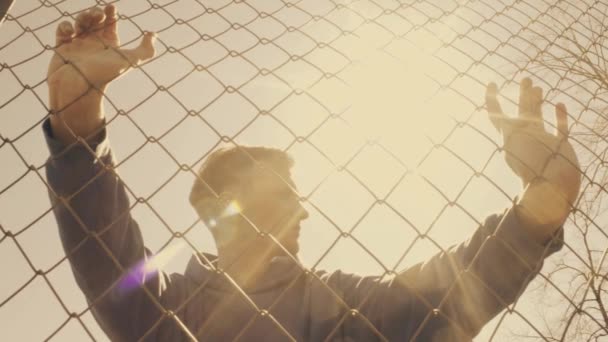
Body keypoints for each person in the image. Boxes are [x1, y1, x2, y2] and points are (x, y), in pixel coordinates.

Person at [44, 4, 581, 341]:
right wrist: (77, 128)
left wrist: (538, 210)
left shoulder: (339, 304)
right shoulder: (170, 307)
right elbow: (108, 256)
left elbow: (447, 293)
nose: (302, 209)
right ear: (219, 211)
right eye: (280, 197)